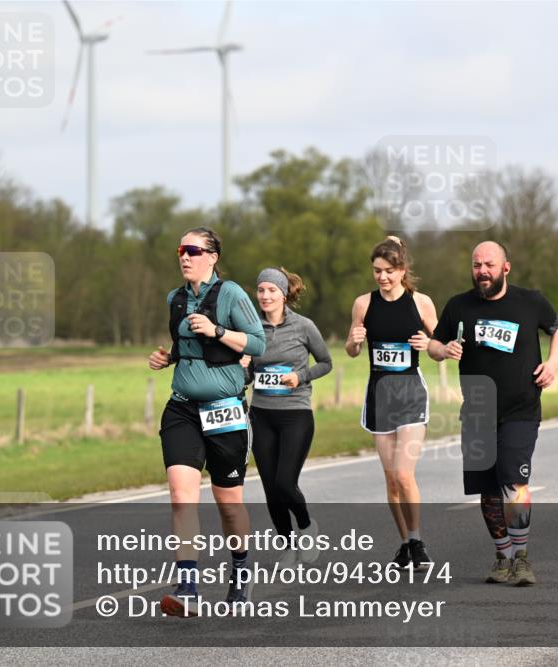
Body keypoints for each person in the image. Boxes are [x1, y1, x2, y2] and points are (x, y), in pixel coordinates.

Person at [427, 241, 558, 586]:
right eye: (476, 265)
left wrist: (552, 362)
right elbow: (432, 345)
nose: (482, 271)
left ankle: (522, 557)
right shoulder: (459, 305)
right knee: (488, 489)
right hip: (476, 410)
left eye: (489, 264)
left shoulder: (530, 301)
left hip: (520, 408)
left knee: (514, 480)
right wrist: (443, 350)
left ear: (505, 267)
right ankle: (502, 557)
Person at [148, 227, 266, 616]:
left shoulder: (230, 294)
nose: (184, 256)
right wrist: (168, 358)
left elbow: (258, 343)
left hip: (225, 410)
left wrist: (217, 330)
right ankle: (188, 588)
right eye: (181, 249)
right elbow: (185, 348)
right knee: (182, 496)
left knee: (228, 505)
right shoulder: (175, 298)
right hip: (182, 408)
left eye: (193, 250)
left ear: (212, 257)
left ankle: (241, 570)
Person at [346, 236, 438, 570]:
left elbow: (442, 350)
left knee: (403, 473)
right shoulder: (363, 304)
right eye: (377, 271)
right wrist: (354, 343)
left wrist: (430, 343)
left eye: (388, 271)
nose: (382, 277)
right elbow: (352, 348)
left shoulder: (421, 303)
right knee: (390, 479)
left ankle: (417, 539)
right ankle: (405, 544)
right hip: (379, 395)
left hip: (410, 392)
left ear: (402, 270)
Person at [241, 267, 332, 567]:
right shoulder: (251, 330)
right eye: (261, 290)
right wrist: (242, 367)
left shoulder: (304, 326)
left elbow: (326, 362)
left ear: (283, 294)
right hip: (261, 416)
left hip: (296, 414)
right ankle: (288, 545)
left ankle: (306, 526)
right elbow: (246, 378)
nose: (265, 296)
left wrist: (300, 375)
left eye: (271, 291)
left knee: (284, 482)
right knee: (269, 486)